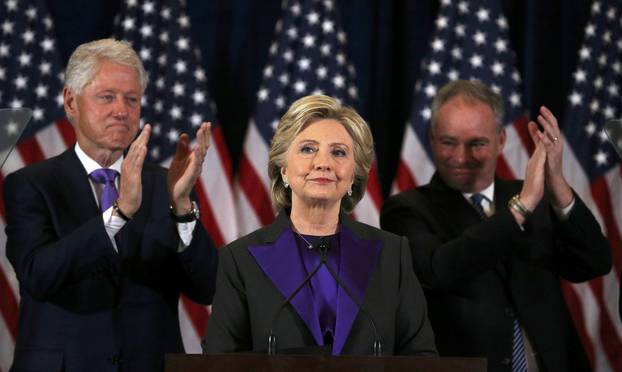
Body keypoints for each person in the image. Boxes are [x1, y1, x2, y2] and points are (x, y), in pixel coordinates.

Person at [4, 39, 218, 372]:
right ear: (71, 102)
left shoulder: (170, 186)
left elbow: (207, 288)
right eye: (107, 97)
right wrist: (119, 214)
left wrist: (182, 209)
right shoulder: (31, 185)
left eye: (131, 99)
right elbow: (38, 275)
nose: (122, 110)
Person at [381, 80, 611, 372]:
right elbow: (440, 270)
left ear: (501, 140)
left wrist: (557, 183)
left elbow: (594, 263)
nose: (461, 157)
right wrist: (522, 206)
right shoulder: (406, 209)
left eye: (476, 143)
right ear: (431, 138)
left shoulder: (536, 199)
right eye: (449, 142)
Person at [203, 94, 436, 356]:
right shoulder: (240, 260)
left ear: (353, 176)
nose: (323, 163)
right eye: (307, 149)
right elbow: (219, 360)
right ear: (284, 170)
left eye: (338, 152)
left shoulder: (392, 255)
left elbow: (421, 357)